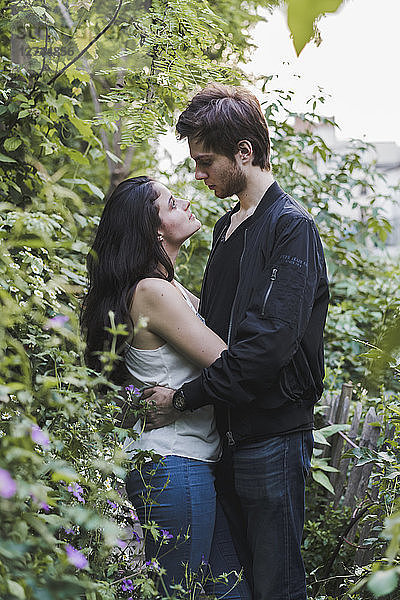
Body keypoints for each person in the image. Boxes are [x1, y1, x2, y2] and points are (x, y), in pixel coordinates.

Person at [142, 84, 330, 600]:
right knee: (235, 582)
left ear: (244, 153)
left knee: (276, 585)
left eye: (205, 162)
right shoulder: (226, 229)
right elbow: (212, 334)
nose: (198, 175)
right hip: (222, 440)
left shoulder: (291, 230)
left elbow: (267, 349)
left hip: (271, 439)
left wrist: (181, 401)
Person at [80, 176, 251, 599]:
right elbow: (229, 363)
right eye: (173, 203)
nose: (187, 203)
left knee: (230, 593)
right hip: (175, 464)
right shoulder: (152, 291)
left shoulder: (166, 287)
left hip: (187, 463)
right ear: (153, 228)